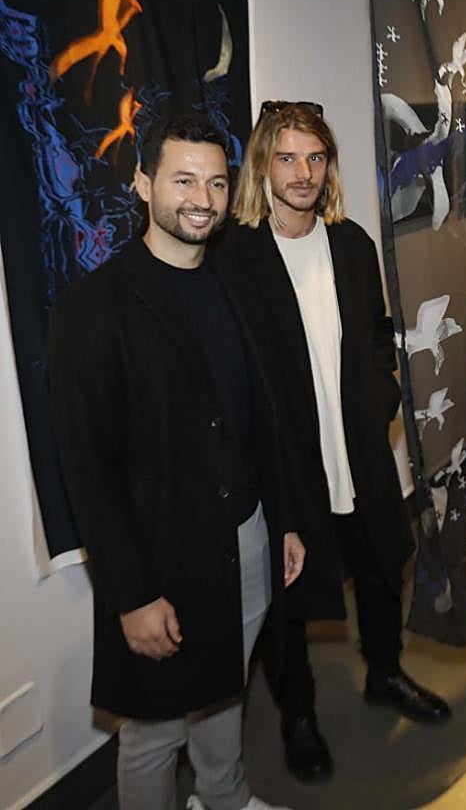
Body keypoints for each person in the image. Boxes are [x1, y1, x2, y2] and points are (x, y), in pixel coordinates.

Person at [47, 114, 303, 810]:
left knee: (226, 687)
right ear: (141, 183)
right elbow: (86, 469)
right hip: (161, 564)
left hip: (247, 537)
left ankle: (223, 797)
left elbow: (262, 418)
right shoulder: (91, 310)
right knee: (154, 733)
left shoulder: (234, 280)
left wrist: (280, 522)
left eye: (217, 182)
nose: (203, 197)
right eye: (184, 179)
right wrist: (132, 594)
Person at [217, 101, 449, 783]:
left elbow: (379, 336)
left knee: (380, 565)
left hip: (359, 452)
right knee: (289, 599)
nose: (303, 173)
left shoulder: (351, 244)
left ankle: (385, 671)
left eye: (315, 157)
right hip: (285, 467)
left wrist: (380, 398)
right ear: (263, 164)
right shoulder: (236, 255)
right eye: (286, 157)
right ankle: (299, 715)